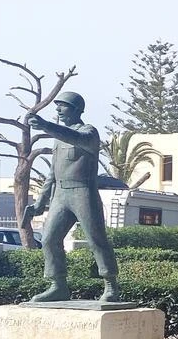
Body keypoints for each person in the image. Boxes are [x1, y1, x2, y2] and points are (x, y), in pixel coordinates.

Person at [21, 91, 121, 303]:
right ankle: (58, 285)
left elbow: (78, 139)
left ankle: (111, 284)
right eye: (57, 106)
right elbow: (52, 174)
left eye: (63, 106)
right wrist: (40, 202)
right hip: (61, 195)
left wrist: (47, 126)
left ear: (77, 110)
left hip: (83, 192)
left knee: (96, 239)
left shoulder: (88, 132)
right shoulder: (59, 139)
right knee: (48, 240)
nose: (58, 110)